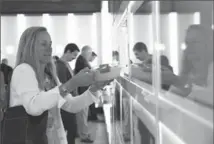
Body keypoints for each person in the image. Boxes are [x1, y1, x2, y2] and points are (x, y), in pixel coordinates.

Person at [1, 27, 108, 144]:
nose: (50, 49)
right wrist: (73, 83)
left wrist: (95, 88)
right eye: (43, 44)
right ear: (29, 47)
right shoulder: (23, 70)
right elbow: (34, 106)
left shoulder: (50, 76)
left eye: (50, 44)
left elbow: (71, 105)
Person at [55, 43, 80, 144]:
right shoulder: (60, 66)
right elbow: (63, 86)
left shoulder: (66, 64)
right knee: (71, 129)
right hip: (65, 102)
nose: (74, 58)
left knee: (71, 129)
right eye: (74, 55)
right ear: (68, 51)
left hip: (69, 101)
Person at [74, 46, 93, 143]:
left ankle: (82, 133)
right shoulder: (81, 60)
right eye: (90, 53)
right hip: (82, 91)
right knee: (82, 115)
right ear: (85, 52)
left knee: (82, 115)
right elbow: (85, 75)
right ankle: (84, 135)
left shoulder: (82, 60)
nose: (90, 55)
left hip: (83, 91)